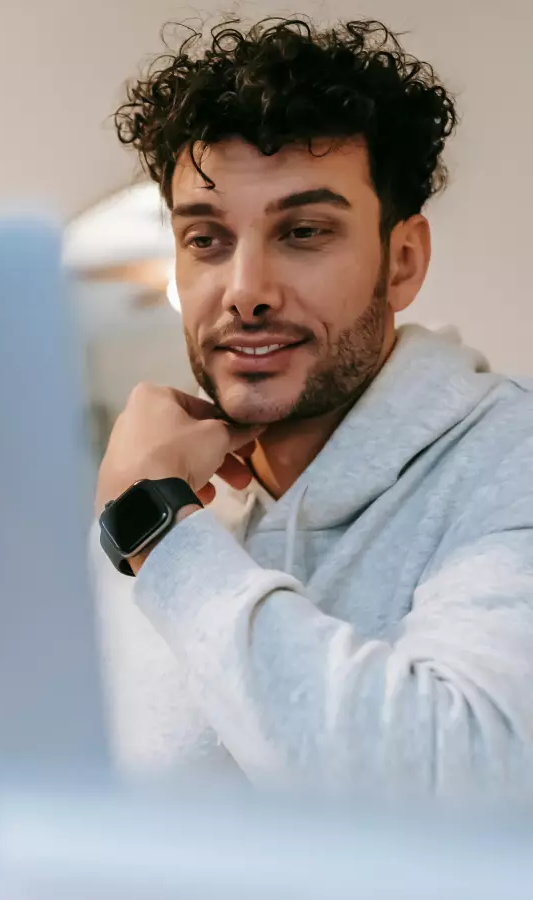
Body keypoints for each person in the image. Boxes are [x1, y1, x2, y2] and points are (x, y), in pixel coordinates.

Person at [91, 16, 533, 798]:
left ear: (402, 262)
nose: (247, 292)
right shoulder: (153, 494)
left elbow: (463, 792)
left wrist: (159, 533)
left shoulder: (509, 464)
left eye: (303, 232)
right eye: (206, 240)